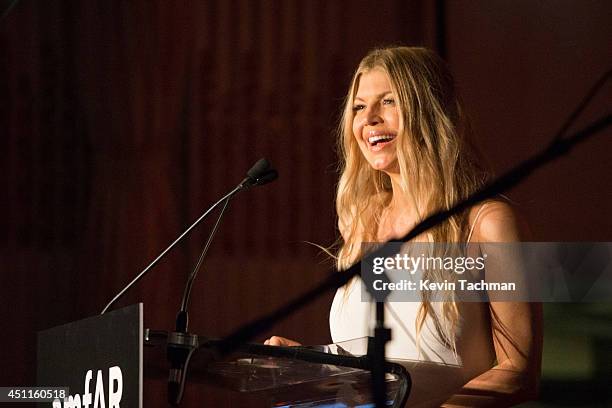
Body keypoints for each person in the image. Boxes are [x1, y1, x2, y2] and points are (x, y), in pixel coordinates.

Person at [265, 46, 542, 407]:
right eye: (359, 107)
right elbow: (374, 368)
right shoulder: (361, 221)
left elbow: (517, 372)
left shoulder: (487, 224)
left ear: (430, 111)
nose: (369, 120)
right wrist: (317, 367)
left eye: (389, 101)